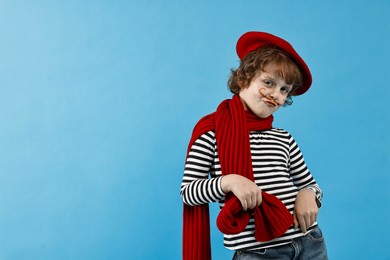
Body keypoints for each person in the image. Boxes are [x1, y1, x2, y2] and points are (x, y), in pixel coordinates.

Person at [180, 31, 328, 260]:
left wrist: (309, 194)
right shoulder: (212, 133)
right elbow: (188, 192)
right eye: (268, 82)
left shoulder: (283, 138)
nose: (275, 95)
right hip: (259, 252)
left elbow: (311, 184)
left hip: (309, 241)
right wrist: (229, 181)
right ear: (243, 79)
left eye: (284, 89)